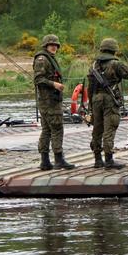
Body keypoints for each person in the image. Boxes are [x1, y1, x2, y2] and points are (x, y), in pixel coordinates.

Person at [87, 38, 128, 169]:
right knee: (109, 127)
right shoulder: (116, 64)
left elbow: (90, 87)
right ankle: (109, 159)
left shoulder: (94, 65)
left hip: (95, 98)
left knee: (97, 128)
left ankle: (98, 159)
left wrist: (90, 106)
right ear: (114, 50)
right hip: (110, 99)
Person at [33, 34, 75, 171]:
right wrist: (54, 84)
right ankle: (58, 159)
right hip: (49, 101)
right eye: (51, 45)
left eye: (56, 45)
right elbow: (38, 79)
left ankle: (45, 162)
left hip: (50, 100)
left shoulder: (48, 58)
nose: (54, 47)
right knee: (56, 129)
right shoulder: (42, 59)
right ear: (45, 46)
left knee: (47, 130)